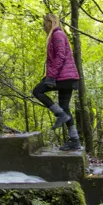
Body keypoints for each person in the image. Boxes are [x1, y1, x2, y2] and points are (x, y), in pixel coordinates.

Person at [32, 13, 82, 151]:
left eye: (44, 24)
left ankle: (59, 114)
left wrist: (51, 77)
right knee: (65, 107)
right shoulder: (57, 34)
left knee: (37, 91)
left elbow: (60, 56)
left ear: (49, 22)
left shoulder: (57, 34)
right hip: (67, 77)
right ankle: (75, 140)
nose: (43, 27)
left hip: (64, 77)